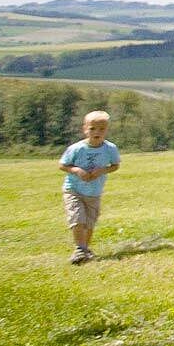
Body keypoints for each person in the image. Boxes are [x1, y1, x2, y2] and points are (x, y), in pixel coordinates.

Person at [57, 110, 121, 264]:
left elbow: (115, 165)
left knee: (90, 222)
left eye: (101, 129)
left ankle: (85, 248)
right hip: (74, 189)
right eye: (92, 129)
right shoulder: (77, 149)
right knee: (77, 218)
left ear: (106, 130)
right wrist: (76, 170)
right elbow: (62, 165)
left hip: (94, 192)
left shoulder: (110, 148)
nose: (96, 132)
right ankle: (79, 248)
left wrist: (103, 170)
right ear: (85, 129)